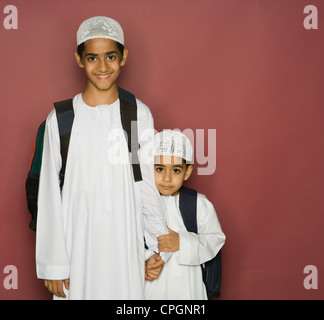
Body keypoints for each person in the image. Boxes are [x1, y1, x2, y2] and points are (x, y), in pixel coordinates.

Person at [35, 16, 170, 300]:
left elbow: (144, 182)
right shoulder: (61, 119)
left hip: (125, 242)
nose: (103, 67)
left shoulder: (137, 113)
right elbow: (48, 192)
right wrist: (53, 263)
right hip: (77, 245)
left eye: (110, 56)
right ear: (79, 59)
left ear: (123, 57)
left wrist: (155, 247)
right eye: (92, 58)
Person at [144, 130, 226, 300]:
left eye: (175, 170)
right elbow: (124, 242)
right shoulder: (138, 204)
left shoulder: (198, 203)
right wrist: (145, 259)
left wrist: (180, 241)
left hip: (189, 288)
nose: (167, 178)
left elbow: (215, 240)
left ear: (187, 172)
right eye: (160, 169)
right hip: (150, 286)